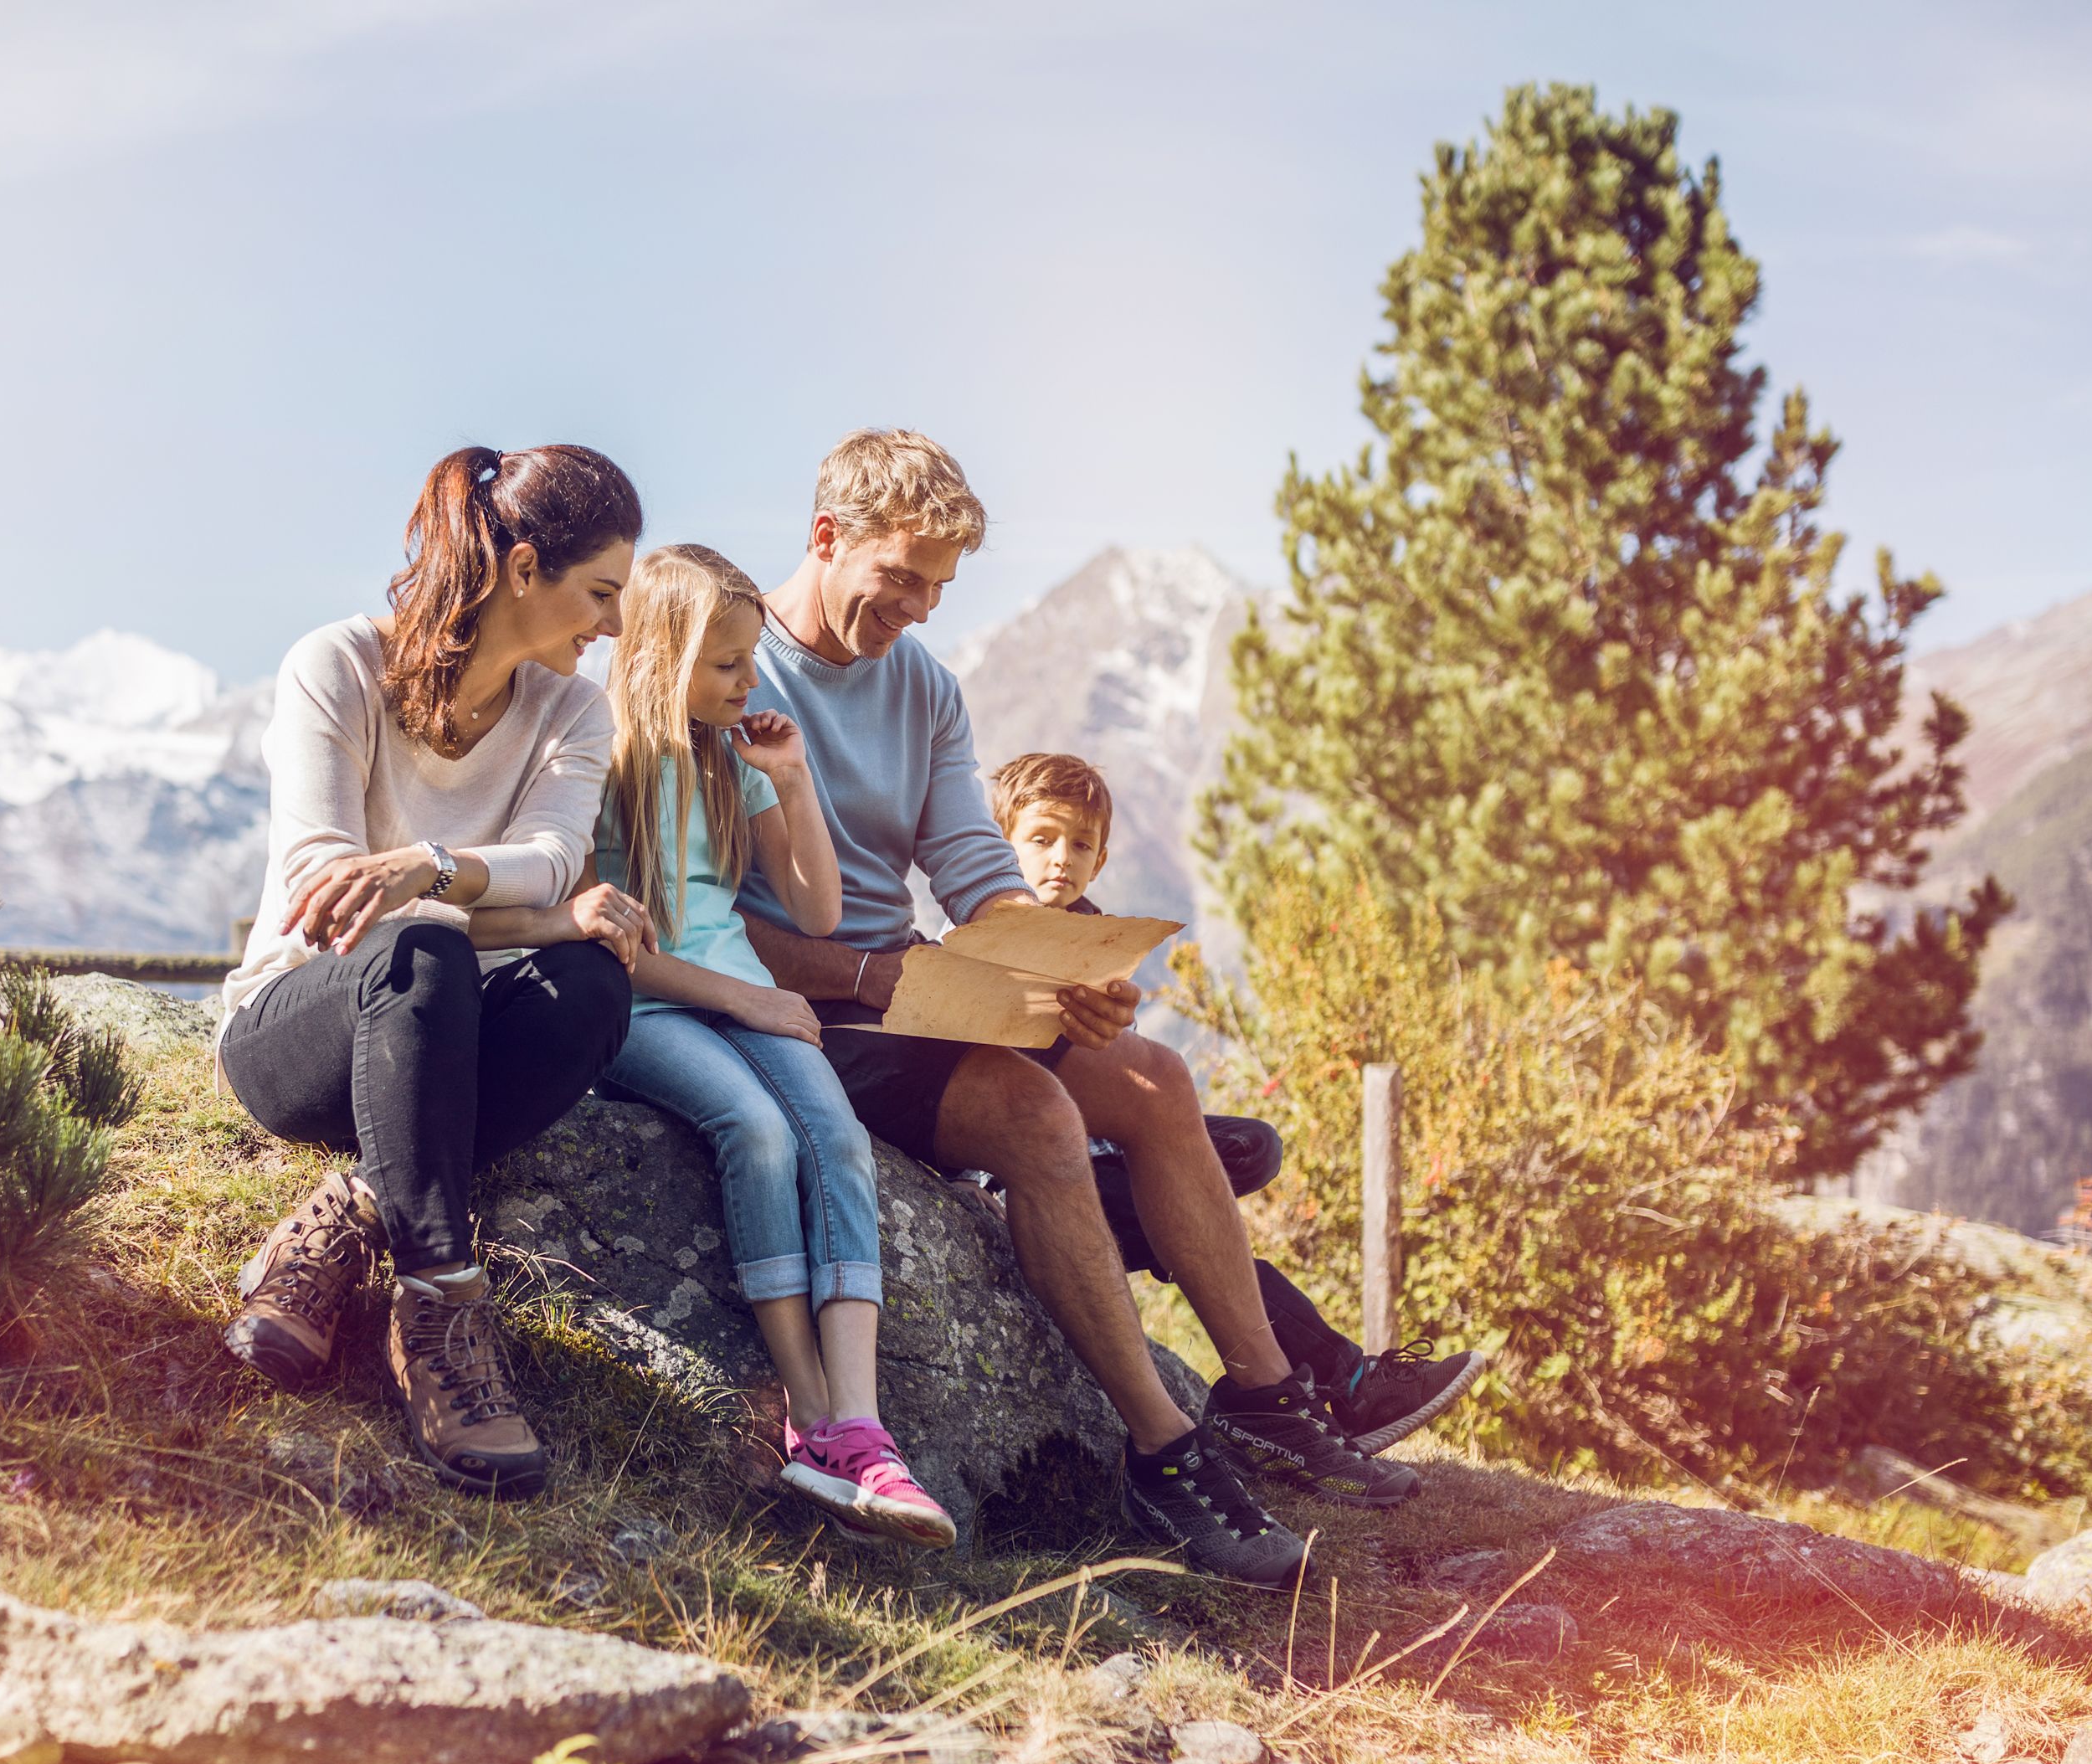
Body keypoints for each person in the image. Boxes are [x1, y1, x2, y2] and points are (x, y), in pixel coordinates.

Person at [732, 429, 1418, 1592]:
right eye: (899, 578)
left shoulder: (925, 689)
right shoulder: (727, 666)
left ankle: (1264, 1392)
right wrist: (858, 977)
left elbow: (968, 859)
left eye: (939, 589)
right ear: (825, 537)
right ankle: (1166, 1449)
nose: (915, 609)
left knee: (1153, 1077)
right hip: (792, 1010)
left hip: (908, 989)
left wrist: (1059, 968)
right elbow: (688, 899)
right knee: (1037, 1116)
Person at [214, 443, 650, 1499]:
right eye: (600, 594)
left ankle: (351, 1208)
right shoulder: (337, 665)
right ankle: (442, 1299)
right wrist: (517, 913)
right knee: (425, 948)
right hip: (297, 1029)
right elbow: (326, 889)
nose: (613, 626)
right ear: (522, 569)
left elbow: (550, 858)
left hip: (436, 1021)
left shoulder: (573, 714)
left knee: (593, 988)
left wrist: (438, 868)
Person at [589, 545, 954, 1548]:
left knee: (834, 1142)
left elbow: (818, 909)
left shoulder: (724, 759)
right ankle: (808, 1416)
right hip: (648, 1007)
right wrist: (746, 1003)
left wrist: (791, 780)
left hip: (748, 994)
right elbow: (609, 955)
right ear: (662, 656)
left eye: (751, 662)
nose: (750, 683)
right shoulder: (596, 757)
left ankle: (861, 1427)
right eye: (727, 666)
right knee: (755, 1130)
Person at [986, 752, 1490, 1456]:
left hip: (1099, 1152)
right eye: (1040, 839)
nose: (1059, 860)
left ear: (1101, 861)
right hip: (1023, 1178)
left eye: (1080, 845)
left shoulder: (1093, 940)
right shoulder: (977, 931)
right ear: (999, 840)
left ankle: (1334, 1382)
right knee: (1189, 1226)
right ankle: (1349, 1384)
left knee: (1251, 1149)